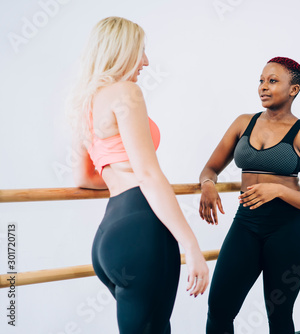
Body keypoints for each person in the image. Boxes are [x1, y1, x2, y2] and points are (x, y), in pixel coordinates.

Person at [67, 16, 209, 334]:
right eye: (140, 51)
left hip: (109, 236)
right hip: (143, 232)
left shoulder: (84, 103)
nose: (145, 61)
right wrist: (191, 244)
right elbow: (147, 174)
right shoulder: (126, 92)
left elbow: (84, 178)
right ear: (122, 51)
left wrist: (121, 177)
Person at [199, 57, 300, 334]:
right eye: (261, 80)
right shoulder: (243, 123)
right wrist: (208, 183)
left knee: (278, 314)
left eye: (272, 81)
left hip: (289, 229)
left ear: (293, 90)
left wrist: (279, 190)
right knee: (219, 309)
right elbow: (210, 168)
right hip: (246, 223)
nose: (263, 87)